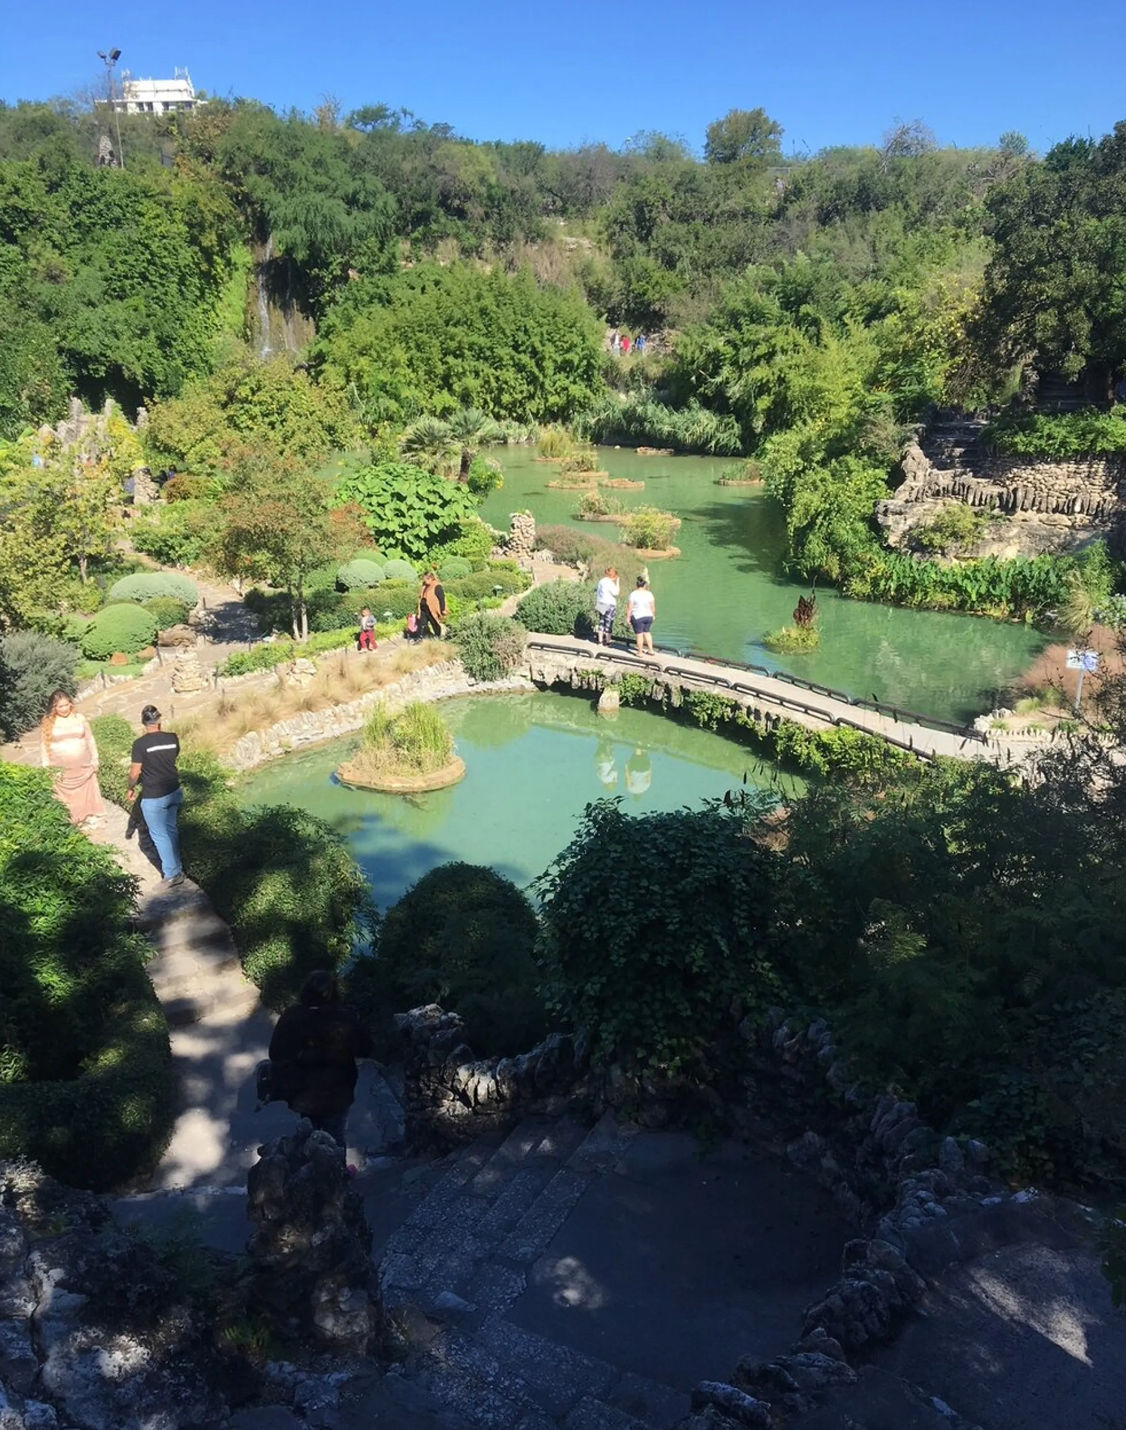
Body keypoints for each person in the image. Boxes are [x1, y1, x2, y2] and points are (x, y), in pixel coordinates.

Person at [268, 970, 373, 1150]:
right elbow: (367, 1048)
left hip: (303, 1095)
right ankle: (339, 1173)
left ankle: (310, 1172)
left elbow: (275, 1053)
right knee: (336, 1137)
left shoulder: (292, 1016)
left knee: (309, 1137)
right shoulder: (344, 1017)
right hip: (337, 1094)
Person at [127, 705, 184, 887]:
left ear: (143, 723)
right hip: (174, 791)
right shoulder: (172, 738)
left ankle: (172, 874)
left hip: (153, 796)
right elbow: (173, 757)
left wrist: (130, 787)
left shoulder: (140, 744)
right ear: (159, 720)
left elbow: (135, 772)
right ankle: (178, 867)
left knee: (159, 835)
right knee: (171, 830)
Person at [40, 691, 103, 828]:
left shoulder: (79, 718)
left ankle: (88, 816)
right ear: (54, 707)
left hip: (83, 766)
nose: (64, 709)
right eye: (60, 706)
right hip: (61, 769)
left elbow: (90, 739)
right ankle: (71, 821)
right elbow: (44, 745)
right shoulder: (48, 722)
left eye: (66, 705)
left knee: (86, 793)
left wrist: (95, 758)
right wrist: (47, 767)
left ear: (70, 703)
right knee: (66, 797)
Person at [626, 575, 656, 658]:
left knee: (639, 634)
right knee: (647, 632)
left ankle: (640, 652)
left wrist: (628, 617)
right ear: (645, 585)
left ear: (637, 585)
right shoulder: (649, 594)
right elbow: (653, 606)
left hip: (637, 616)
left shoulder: (633, 594)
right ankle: (651, 650)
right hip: (648, 616)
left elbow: (630, 608)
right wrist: (653, 615)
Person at [594, 565, 619, 646]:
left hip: (600, 603)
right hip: (610, 604)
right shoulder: (610, 582)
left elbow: (598, 592)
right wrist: (617, 583)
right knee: (609, 622)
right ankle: (608, 641)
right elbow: (616, 593)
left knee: (601, 621)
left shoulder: (601, 581)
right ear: (613, 575)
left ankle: (600, 641)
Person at [417, 571, 447, 639]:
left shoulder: (437, 586)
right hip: (423, 608)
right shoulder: (424, 586)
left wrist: (443, 609)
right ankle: (420, 638)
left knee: (434, 623)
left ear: (431, 578)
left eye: (426, 580)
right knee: (422, 624)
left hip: (432, 609)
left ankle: (438, 636)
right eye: (424, 580)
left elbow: (441, 598)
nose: (425, 581)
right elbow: (420, 596)